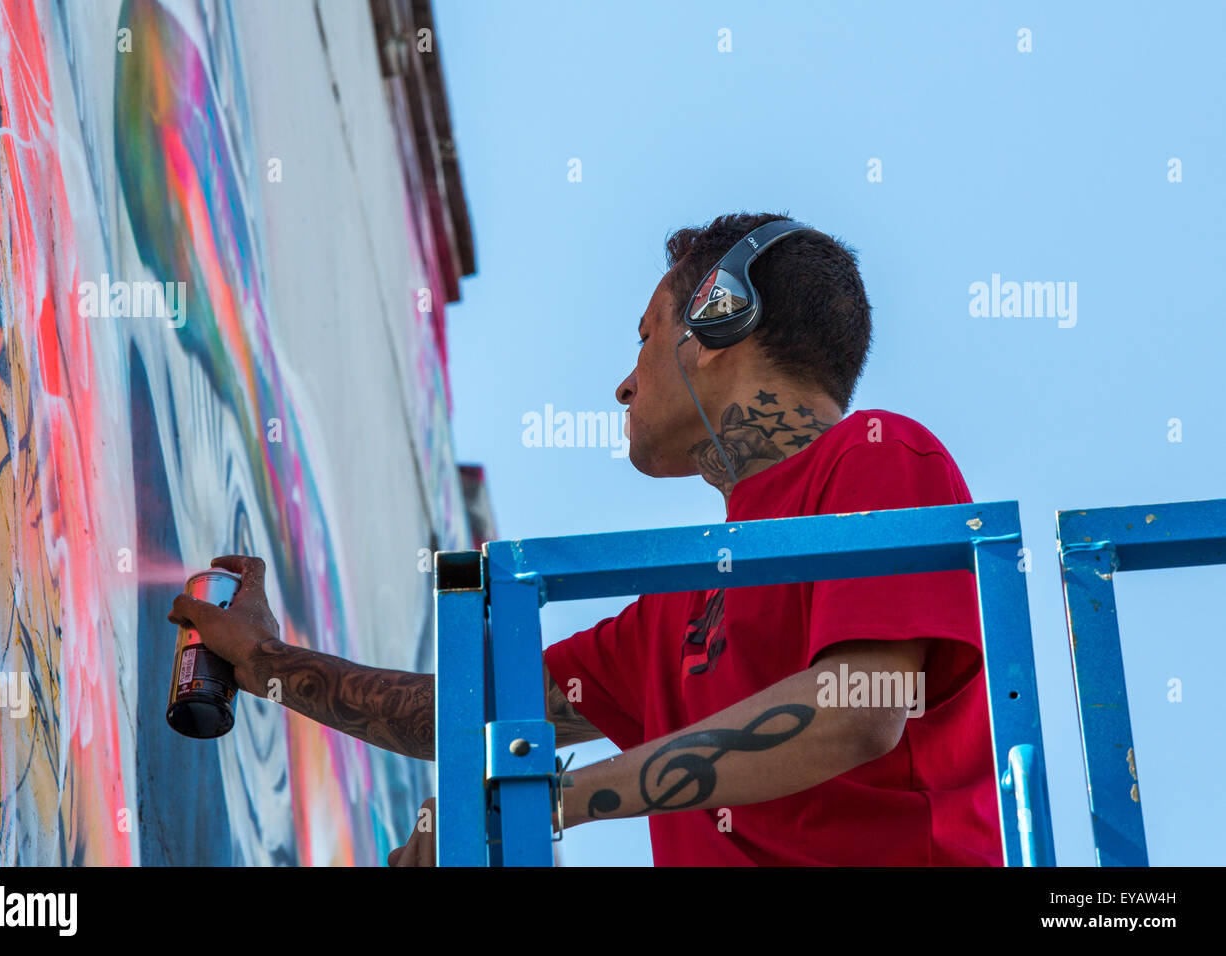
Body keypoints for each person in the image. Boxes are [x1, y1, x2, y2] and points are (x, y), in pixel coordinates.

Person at [169, 211, 1002, 867]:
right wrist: (265, 662)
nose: (626, 380)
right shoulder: (673, 617)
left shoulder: (881, 456)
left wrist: (544, 798)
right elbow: (459, 718)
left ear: (720, 316)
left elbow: (858, 713)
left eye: (646, 335)